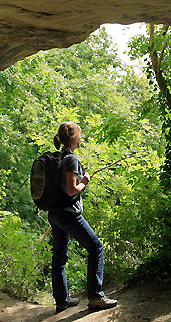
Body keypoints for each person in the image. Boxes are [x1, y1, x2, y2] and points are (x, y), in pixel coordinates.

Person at [49, 121, 118, 312]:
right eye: (79, 135)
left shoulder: (57, 156)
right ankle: (96, 297)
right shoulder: (71, 159)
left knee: (59, 257)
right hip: (68, 214)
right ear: (73, 138)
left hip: (54, 213)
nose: (81, 138)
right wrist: (84, 182)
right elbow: (72, 189)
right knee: (96, 248)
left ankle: (61, 301)